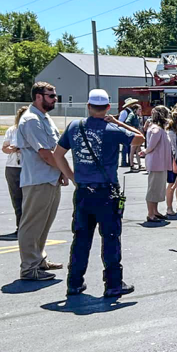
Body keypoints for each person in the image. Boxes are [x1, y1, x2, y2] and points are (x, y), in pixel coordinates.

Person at [53, 89, 144, 298]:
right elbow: (139, 138)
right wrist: (118, 122)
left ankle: (74, 282)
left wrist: (73, 177)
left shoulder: (75, 126)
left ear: (88, 106)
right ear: (108, 108)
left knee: (81, 238)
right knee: (111, 237)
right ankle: (113, 284)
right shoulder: (112, 129)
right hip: (106, 191)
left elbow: (58, 155)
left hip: (84, 190)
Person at [17, 82, 68, 281]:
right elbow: (45, 154)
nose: (55, 99)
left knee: (44, 224)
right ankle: (29, 268)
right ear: (39, 96)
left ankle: (39, 260)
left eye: (55, 95)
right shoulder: (31, 120)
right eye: (51, 95)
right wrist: (66, 171)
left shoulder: (44, 118)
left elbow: (54, 151)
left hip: (50, 178)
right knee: (31, 225)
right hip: (38, 179)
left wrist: (60, 173)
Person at [0, 106, 29, 240]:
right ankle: (19, 227)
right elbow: (4, 148)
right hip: (13, 167)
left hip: (28, 167)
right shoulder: (12, 130)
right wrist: (12, 148)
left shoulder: (33, 130)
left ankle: (30, 228)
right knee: (17, 199)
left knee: (29, 199)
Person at [142, 105, 175, 222]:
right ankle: (151, 214)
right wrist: (145, 151)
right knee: (153, 189)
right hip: (156, 164)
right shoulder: (157, 129)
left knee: (157, 189)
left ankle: (155, 212)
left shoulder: (159, 128)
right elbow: (151, 146)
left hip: (160, 164)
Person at [118, 98, 139, 167]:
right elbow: (120, 122)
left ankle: (130, 161)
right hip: (125, 130)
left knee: (129, 147)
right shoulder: (124, 112)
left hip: (128, 130)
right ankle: (124, 162)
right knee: (125, 147)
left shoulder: (131, 112)